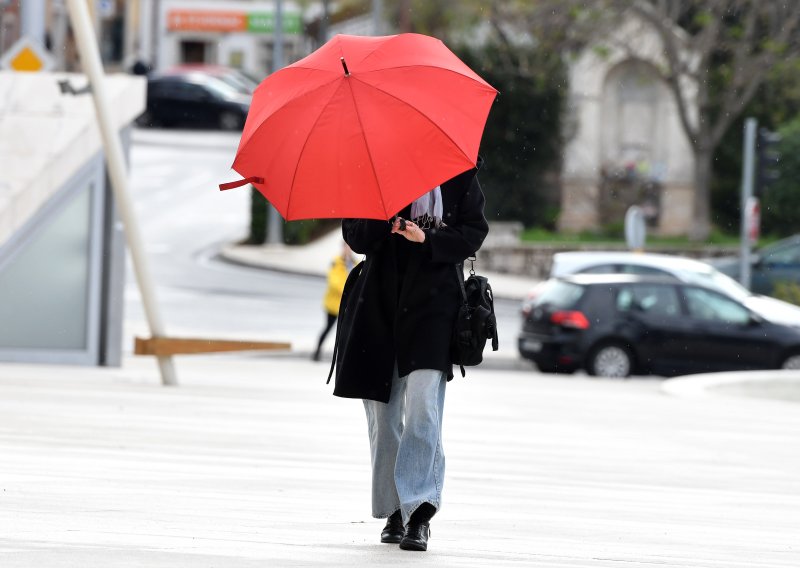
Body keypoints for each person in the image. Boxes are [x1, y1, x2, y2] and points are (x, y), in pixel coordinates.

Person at [330, 163, 489, 552]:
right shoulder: (371, 171)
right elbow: (355, 235)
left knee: (422, 406)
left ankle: (419, 512)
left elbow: (473, 232)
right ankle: (393, 511)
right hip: (378, 302)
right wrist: (385, 215)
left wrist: (428, 239)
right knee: (383, 417)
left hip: (434, 305)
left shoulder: (458, 172)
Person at [312, 242, 355, 362]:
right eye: (346, 247)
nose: (348, 250)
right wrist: (347, 289)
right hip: (333, 304)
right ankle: (317, 351)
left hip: (347, 306)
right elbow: (334, 281)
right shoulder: (336, 262)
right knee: (328, 328)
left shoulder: (354, 263)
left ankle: (344, 357)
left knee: (346, 332)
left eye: (350, 247)